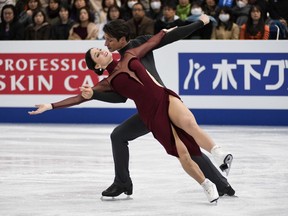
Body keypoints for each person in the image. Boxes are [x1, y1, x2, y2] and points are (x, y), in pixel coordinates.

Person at [28, 16, 235, 199]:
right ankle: (122, 183)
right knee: (119, 135)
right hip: (148, 113)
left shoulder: (138, 46)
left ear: (122, 38)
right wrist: (88, 95)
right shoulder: (114, 68)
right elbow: (120, 97)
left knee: (188, 144)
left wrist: (200, 23)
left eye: (109, 40)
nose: (106, 44)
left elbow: (170, 36)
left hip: (165, 103)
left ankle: (221, 183)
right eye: (105, 41)